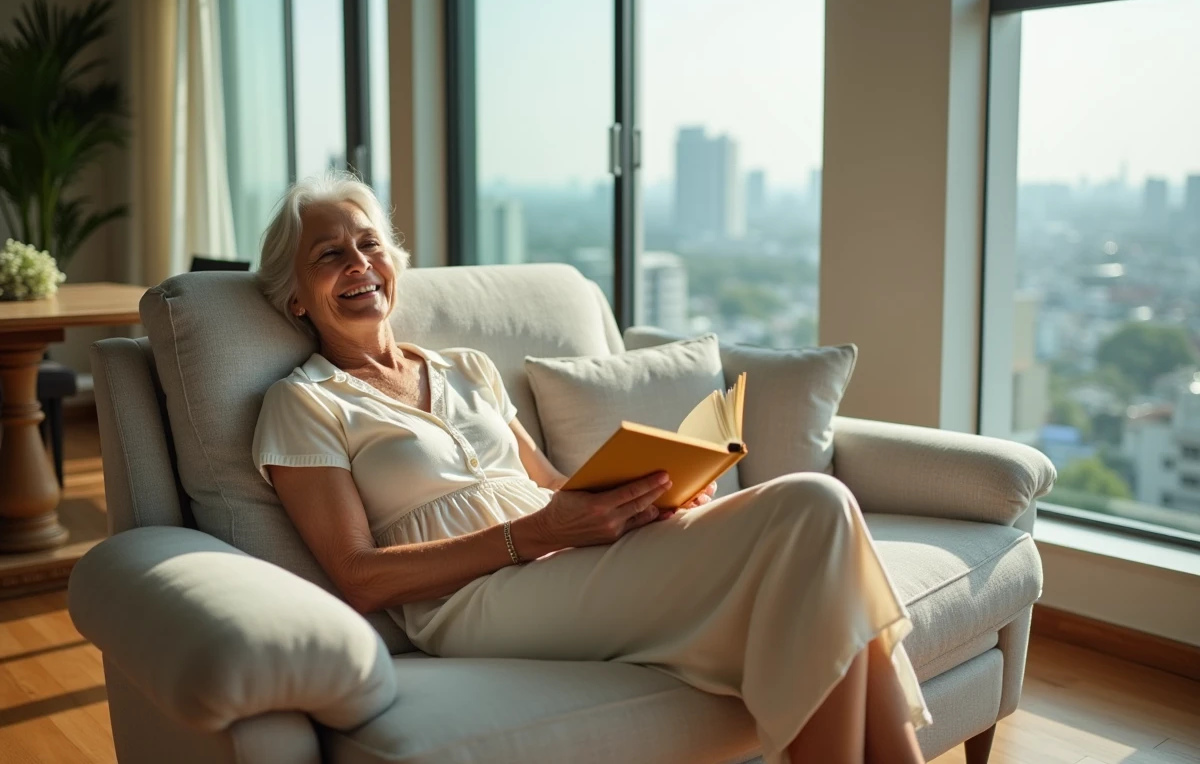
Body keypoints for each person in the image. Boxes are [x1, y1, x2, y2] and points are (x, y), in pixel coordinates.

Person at [252, 173, 930, 764]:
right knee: (812, 507)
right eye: (330, 254)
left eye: (369, 244)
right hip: (474, 600)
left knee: (824, 523)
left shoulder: (467, 367)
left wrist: (647, 498)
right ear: (296, 300)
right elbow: (359, 577)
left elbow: (550, 486)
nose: (359, 264)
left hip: (563, 556)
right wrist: (535, 537)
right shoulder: (303, 402)